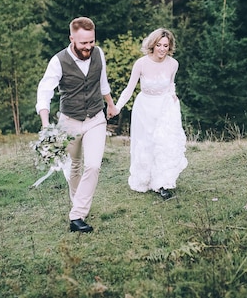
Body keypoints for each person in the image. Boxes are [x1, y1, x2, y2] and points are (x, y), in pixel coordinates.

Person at [36, 17, 118, 233]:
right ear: (71, 38)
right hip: (69, 121)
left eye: (92, 41)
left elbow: (103, 83)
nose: (89, 47)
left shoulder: (98, 54)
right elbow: (44, 92)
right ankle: (78, 204)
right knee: (74, 166)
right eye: (84, 43)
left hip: (95, 119)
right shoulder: (58, 61)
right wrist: (45, 124)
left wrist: (110, 104)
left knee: (93, 166)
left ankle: (77, 215)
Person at [112, 28, 187, 199]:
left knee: (164, 144)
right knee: (146, 143)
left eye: (165, 45)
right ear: (152, 45)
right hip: (145, 108)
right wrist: (117, 107)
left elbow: (171, 83)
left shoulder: (173, 64)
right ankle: (145, 178)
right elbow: (129, 89)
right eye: (159, 45)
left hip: (165, 108)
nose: (162, 49)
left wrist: (173, 96)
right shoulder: (141, 64)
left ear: (170, 47)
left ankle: (162, 183)